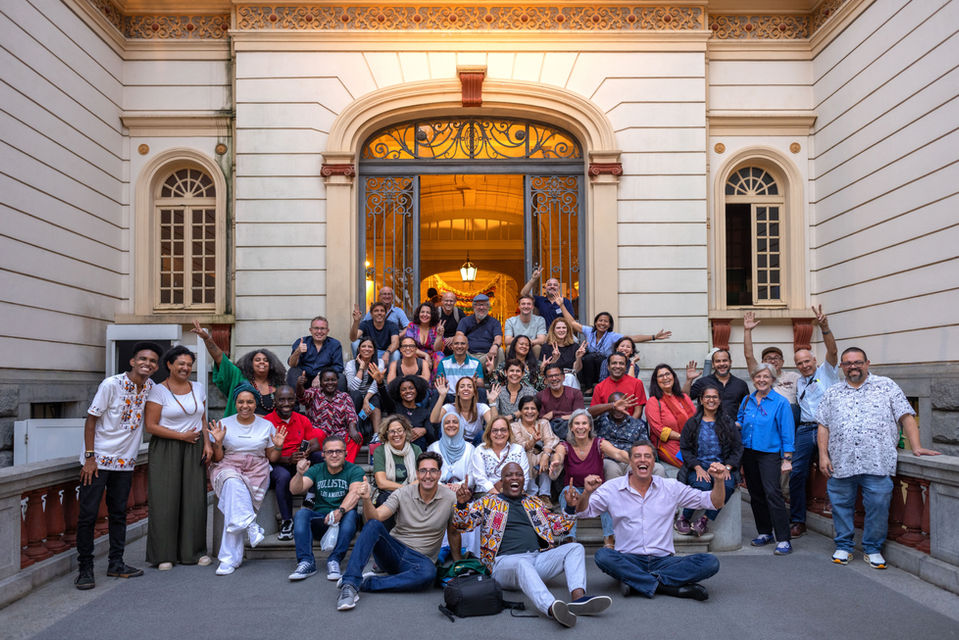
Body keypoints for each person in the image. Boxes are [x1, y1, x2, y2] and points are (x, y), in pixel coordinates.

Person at [817, 347, 940, 568]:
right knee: (840, 505)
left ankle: (872, 549)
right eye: (847, 363)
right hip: (841, 462)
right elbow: (823, 426)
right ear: (842, 367)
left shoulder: (886, 386)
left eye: (857, 362)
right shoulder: (833, 392)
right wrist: (823, 455)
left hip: (877, 461)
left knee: (878, 506)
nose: (853, 366)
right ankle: (844, 546)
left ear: (867, 363)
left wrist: (917, 447)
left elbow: (906, 416)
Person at [453, 462, 612, 628]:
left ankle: (579, 598)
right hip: (503, 564)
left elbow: (558, 528)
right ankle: (551, 607)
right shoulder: (488, 502)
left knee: (575, 548)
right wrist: (462, 505)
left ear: (524, 480)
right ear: (501, 481)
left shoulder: (534, 503)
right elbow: (463, 525)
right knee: (522, 563)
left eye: (519, 475)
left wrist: (571, 508)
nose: (514, 478)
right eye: (509, 475)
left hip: (536, 560)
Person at [571, 440, 726, 600]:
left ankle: (636, 581)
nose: (643, 460)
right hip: (628, 559)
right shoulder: (612, 488)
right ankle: (668, 588)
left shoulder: (670, 487)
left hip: (663, 560)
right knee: (603, 556)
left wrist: (719, 480)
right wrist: (586, 493)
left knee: (710, 562)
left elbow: (714, 502)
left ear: (654, 462)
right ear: (630, 462)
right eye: (637, 456)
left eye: (647, 456)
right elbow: (583, 513)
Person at [74, 341, 162, 590]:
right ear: (132, 361)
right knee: (88, 515)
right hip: (98, 461)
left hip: (124, 463)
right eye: (143, 359)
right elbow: (91, 420)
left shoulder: (151, 388)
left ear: (156, 367)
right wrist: (89, 457)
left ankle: (116, 563)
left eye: (152, 361)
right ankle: (85, 569)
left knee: (118, 514)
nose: (147, 364)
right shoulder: (111, 384)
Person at [336, 452, 460, 611]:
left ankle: (366, 583)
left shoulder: (450, 498)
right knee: (373, 525)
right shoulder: (403, 493)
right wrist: (366, 499)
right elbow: (376, 517)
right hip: (394, 551)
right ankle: (349, 584)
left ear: (439, 474)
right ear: (417, 473)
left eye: (433, 471)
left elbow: (453, 532)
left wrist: (458, 565)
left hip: (420, 560)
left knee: (429, 574)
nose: (428, 475)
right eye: (423, 471)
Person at [144, 346, 212, 570]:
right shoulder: (158, 391)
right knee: (165, 501)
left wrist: (208, 444)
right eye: (181, 363)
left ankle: (194, 552)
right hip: (166, 447)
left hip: (195, 446)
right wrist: (181, 436)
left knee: (194, 500)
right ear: (169, 365)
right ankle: (164, 554)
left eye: (189, 364)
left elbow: (202, 419)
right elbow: (151, 426)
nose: (185, 368)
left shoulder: (198, 387)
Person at [207, 385, 287, 575]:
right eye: (241, 402)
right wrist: (218, 443)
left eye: (249, 402)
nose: (245, 406)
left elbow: (272, 458)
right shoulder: (224, 423)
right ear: (235, 403)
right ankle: (250, 524)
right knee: (232, 482)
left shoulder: (266, 425)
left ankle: (229, 560)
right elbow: (218, 458)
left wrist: (278, 447)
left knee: (233, 502)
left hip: (256, 470)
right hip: (228, 465)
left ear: (256, 403)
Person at [789, 305, 840, 537]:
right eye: (800, 363)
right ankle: (798, 520)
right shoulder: (799, 382)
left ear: (814, 360)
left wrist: (825, 328)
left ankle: (836, 513)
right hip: (804, 430)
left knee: (832, 470)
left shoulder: (826, 372)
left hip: (827, 428)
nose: (804, 365)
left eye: (807, 361)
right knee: (797, 473)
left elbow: (833, 351)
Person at [287, 435, 365, 581]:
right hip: (322, 520)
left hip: (343, 521)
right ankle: (306, 562)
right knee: (301, 514)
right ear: (323, 454)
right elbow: (294, 489)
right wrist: (299, 473)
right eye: (330, 452)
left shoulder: (355, 470)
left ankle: (334, 560)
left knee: (351, 515)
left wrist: (340, 511)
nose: (334, 455)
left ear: (346, 453)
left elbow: (354, 493)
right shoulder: (316, 469)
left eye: (338, 451)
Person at [738, 363, 795, 555]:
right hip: (748, 452)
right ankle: (764, 532)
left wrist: (787, 458)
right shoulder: (747, 399)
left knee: (773, 493)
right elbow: (740, 421)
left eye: (765, 377)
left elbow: (787, 431)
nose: (761, 380)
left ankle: (784, 539)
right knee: (755, 494)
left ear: (772, 380)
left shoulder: (780, 402)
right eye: (758, 376)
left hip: (769, 453)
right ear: (753, 379)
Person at [549, 410, 627, 547]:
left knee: (608, 494)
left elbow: (618, 454)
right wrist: (556, 461)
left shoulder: (599, 443)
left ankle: (609, 538)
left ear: (590, 426)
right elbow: (559, 455)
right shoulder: (565, 446)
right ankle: (570, 538)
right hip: (574, 491)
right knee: (567, 492)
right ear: (571, 427)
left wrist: (635, 460)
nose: (581, 427)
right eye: (577, 423)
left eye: (584, 423)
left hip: (596, 490)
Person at [555, 301, 670, 392]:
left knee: (602, 360)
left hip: (604, 367)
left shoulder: (612, 336)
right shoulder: (589, 331)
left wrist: (653, 337)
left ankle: (600, 386)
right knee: (587, 358)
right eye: (600, 320)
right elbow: (572, 323)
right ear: (596, 322)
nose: (602, 323)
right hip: (588, 368)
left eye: (606, 321)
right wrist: (561, 305)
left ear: (609, 324)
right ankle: (589, 387)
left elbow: (633, 338)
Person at [674, 385, 743, 536]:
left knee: (727, 485)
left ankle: (704, 520)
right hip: (698, 466)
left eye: (715, 397)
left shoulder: (728, 423)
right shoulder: (692, 423)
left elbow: (737, 448)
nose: (711, 400)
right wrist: (697, 467)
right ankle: (684, 518)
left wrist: (728, 467)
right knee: (701, 485)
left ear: (720, 400)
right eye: (707, 397)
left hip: (722, 466)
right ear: (701, 400)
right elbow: (685, 448)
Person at [264, 385, 324, 541]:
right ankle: (287, 521)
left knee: (319, 456)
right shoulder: (267, 422)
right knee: (283, 476)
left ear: (295, 400)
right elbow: (265, 454)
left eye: (290, 399)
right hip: (278, 463)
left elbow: (315, 443)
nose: (286, 403)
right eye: (282, 400)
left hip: (299, 461)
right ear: (275, 401)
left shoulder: (301, 419)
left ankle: (311, 496)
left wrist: (306, 452)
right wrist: (288, 459)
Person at [191, 321, 286, 417]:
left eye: (266, 360)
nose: (262, 362)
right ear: (250, 363)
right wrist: (207, 338)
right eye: (257, 360)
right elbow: (220, 358)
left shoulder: (277, 385)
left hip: (270, 427)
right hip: (239, 426)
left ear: (271, 365)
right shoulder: (238, 377)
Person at [592, 391, 664, 481]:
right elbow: (586, 414)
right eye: (616, 406)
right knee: (612, 470)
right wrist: (612, 405)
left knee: (658, 468)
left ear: (627, 406)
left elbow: (645, 446)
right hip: (608, 459)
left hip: (630, 459)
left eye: (622, 405)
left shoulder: (637, 424)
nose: (618, 409)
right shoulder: (600, 420)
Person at [297, 368, 362, 462]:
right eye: (326, 380)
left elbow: (351, 415)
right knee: (316, 433)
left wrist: (352, 428)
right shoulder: (314, 393)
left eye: (333, 380)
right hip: (319, 438)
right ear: (321, 382)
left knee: (357, 437)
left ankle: (345, 464)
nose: (330, 383)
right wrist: (299, 385)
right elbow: (302, 396)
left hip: (339, 436)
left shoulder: (344, 396)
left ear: (337, 381)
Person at [510, 395, 560, 504]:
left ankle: (544, 495)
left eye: (533, 408)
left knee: (550, 455)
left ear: (538, 411)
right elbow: (520, 446)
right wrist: (533, 440)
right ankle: (531, 495)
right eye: (526, 408)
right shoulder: (514, 426)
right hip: (525, 459)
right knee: (526, 456)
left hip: (540, 458)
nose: (529, 412)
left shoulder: (543, 423)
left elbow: (550, 440)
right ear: (520, 411)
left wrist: (545, 455)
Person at [645, 364, 697, 468]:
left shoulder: (684, 397)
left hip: (691, 441)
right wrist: (682, 437)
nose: (665, 378)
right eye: (661, 376)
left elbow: (697, 419)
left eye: (667, 374)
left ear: (673, 376)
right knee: (691, 464)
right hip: (668, 444)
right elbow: (658, 429)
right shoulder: (653, 401)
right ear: (656, 381)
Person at [372, 416, 423, 519]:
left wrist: (407, 491)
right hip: (387, 494)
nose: (396, 434)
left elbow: (421, 478)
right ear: (386, 434)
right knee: (387, 501)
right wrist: (404, 490)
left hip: (413, 493)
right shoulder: (380, 451)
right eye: (392, 431)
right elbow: (381, 482)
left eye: (399, 430)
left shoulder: (416, 450)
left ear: (406, 432)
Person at [469, 416, 530, 496]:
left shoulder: (518, 450)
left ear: (509, 432)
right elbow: (480, 478)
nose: (499, 433)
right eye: (495, 430)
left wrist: (517, 494)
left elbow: (524, 476)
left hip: (514, 493)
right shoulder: (480, 450)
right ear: (489, 433)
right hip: (486, 493)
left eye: (503, 430)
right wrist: (497, 495)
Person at [685, 349, 749, 423]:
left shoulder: (741, 384)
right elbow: (685, 398)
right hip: (706, 427)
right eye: (718, 361)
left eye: (724, 360)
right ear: (713, 364)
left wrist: (740, 424)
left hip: (732, 427)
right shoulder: (703, 382)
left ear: (730, 362)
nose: (721, 364)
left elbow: (747, 408)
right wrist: (689, 380)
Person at [430, 376, 495, 445]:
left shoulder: (481, 407)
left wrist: (492, 402)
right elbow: (434, 420)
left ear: (474, 392)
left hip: (476, 443)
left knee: (482, 434)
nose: (466, 389)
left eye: (469, 386)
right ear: (457, 392)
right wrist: (442, 396)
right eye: (462, 386)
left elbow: (494, 424)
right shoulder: (449, 407)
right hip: (455, 443)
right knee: (443, 430)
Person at [378, 375, 435, 449]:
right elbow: (384, 396)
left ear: (417, 390)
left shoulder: (424, 412)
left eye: (411, 388)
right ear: (399, 392)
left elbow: (432, 436)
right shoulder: (394, 407)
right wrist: (380, 383)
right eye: (403, 389)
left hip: (418, 450)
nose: (408, 391)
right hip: (397, 449)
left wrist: (424, 430)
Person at [343, 337, 383, 442]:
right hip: (356, 401)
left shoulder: (379, 362)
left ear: (374, 350)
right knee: (355, 394)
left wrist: (366, 400)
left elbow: (376, 385)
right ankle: (355, 428)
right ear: (359, 349)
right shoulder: (351, 364)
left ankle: (377, 435)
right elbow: (352, 388)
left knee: (375, 399)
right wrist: (361, 367)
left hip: (370, 399)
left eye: (370, 347)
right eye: (363, 346)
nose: (367, 349)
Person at [288, 316, 344, 387]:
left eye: (322, 328)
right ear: (310, 330)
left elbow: (338, 367)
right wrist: (297, 352)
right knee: (293, 371)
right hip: (304, 378)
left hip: (325, 379)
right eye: (316, 328)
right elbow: (292, 364)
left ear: (327, 330)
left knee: (341, 377)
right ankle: (295, 394)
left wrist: (321, 374)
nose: (319, 331)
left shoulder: (335, 344)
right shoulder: (301, 342)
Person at [588, 353, 647, 419]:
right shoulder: (599, 387)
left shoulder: (637, 383)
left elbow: (638, 411)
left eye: (621, 363)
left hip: (632, 422)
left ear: (625, 367)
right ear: (608, 367)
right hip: (606, 423)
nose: (618, 366)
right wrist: (612, 405)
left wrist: (630, 424)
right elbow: (592, 412)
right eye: (614, 363)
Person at [536, 364, 585, 440]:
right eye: (550, 376)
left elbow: (580, 415)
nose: (554, 378)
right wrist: (566, 416)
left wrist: (553, 414)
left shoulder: (575, 393)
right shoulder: (540, 396)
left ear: (563, 377)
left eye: (557, 375)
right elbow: (543, 419)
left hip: (572, 433)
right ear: (545, 380)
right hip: (549, 434)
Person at [429, 412, 476, 487]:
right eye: (447, 422)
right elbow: (429, 474)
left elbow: (473, 476)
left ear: (460, 426)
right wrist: (442, 487)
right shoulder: (433, 448)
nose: (451, 425)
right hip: (438, 490)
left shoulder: (470, 449)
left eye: (455, 422)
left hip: (463, 490)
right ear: (442, 427)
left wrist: (458, 485)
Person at [456, 293, 503, 368]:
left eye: (484, 305)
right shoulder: (465, 321)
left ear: (488, 307)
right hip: (469, 356)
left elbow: (498, 338)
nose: (481, 307)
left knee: (500, 350)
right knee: (458, 347)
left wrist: (495, 346)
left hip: (488, 356)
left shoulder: (495, 322)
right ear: (473, 307)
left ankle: (497, 374)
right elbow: (459, 335)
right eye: (478, 305)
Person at [538, 317, 584, 390]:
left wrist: (578, 357)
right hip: (552, 379)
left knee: (569, 377)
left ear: (567, 330)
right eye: (558, 328)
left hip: (570, 380)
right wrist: (554, 359)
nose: (561, 330)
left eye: (564, 328)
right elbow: (543, 370)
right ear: (553, 330)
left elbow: (576, 370)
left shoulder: (574, 346)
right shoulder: (546, 347)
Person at [350, 302, 400, 367]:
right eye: (376, 311)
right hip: (370, 351)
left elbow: (395, 343)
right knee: (355, 344)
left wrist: (387, 352)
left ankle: (391, 372)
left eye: (382, 311)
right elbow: (353, 338)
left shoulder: (392, 325)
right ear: (371, 314)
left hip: (385, 353)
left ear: (385, 313)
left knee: (396, 353)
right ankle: (360, 367)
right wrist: (356, 321)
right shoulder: (365, 324)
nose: (379, 313)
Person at [401, 303, 444, 377]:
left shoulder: (436, 327)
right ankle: (413, 381)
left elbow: (437, 349)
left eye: (428, 313)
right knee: (409, 353)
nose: (425, 315)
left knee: (439, 355)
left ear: (432, 315)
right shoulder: (412, 326)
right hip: (416, 353)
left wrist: (439, 336)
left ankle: (437, 381)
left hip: (432, 356)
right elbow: (409, 346)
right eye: (422, 312)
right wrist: (425, 355)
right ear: (418, 314)